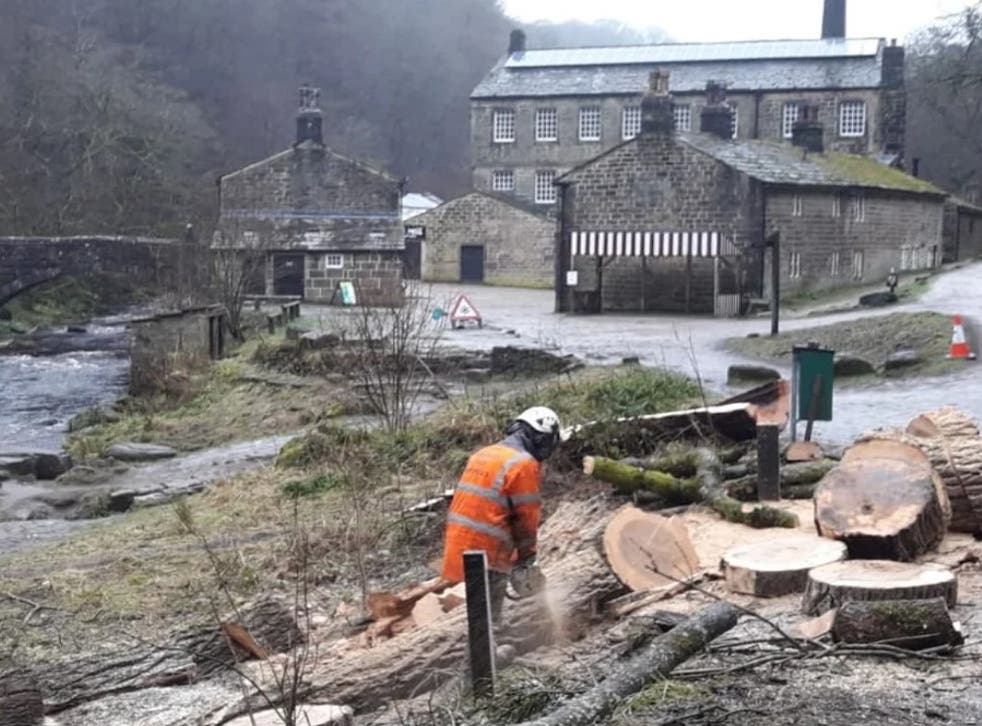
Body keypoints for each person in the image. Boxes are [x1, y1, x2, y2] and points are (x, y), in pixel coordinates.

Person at [441, 406, 564, 622]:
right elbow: (526, 519)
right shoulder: (524, 464)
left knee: (481, 614)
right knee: (489, 620)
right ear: (541, 438)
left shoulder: (485, 454)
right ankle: (488, 651)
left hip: (459, 544)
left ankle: (486, 646)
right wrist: (527, 557)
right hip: (487, 550)